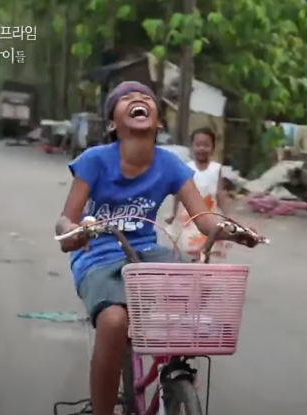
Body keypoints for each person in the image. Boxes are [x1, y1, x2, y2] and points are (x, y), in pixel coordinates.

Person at [54, 81, 259, 415]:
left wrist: (235, 232)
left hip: (147, 254)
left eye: (145, 98)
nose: (137, 99)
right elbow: (65, 219)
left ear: (158, 122)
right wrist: (74, 233)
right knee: (114, 323)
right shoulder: (95, 160)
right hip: (99, 255)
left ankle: (174, 378)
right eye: (126, 99)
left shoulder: (171, 165)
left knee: (194, 294)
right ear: (112, 124)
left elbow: (206, 220)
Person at [165, 127, 233, 259]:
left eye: (206, 145)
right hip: (190, 219)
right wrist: (173, 213)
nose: (201, 148)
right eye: (198, 145)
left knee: (207, 250)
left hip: (210, 217)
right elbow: (179, 194)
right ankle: (194, 275)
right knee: (191, 252)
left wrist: (228, 216)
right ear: (192, 147)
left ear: (213, 148)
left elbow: (220, 193)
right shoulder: (187, 168)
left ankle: (203, 275)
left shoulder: (216, 168)